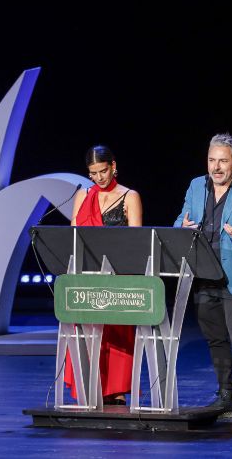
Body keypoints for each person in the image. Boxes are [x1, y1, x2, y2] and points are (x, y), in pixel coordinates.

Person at [174, 133, 232, 423]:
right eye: (212, 160)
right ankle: (227, 397)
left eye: (223, 161)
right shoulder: (195, 186)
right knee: (215, 339)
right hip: (203, 274)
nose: (216, 167)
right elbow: (179, 220)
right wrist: (183, 227)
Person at [66, 144, 142, 405]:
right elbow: (74, 238)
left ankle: (116, 388)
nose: (99, 178)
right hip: (87, 274)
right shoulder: (82, 195)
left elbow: (136, 243)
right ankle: (89, 384)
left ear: (113, 165)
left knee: (115, 335)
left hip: (116, 277)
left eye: (103, 171)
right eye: (93, 173)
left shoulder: (129, 196)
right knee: (87, 333)